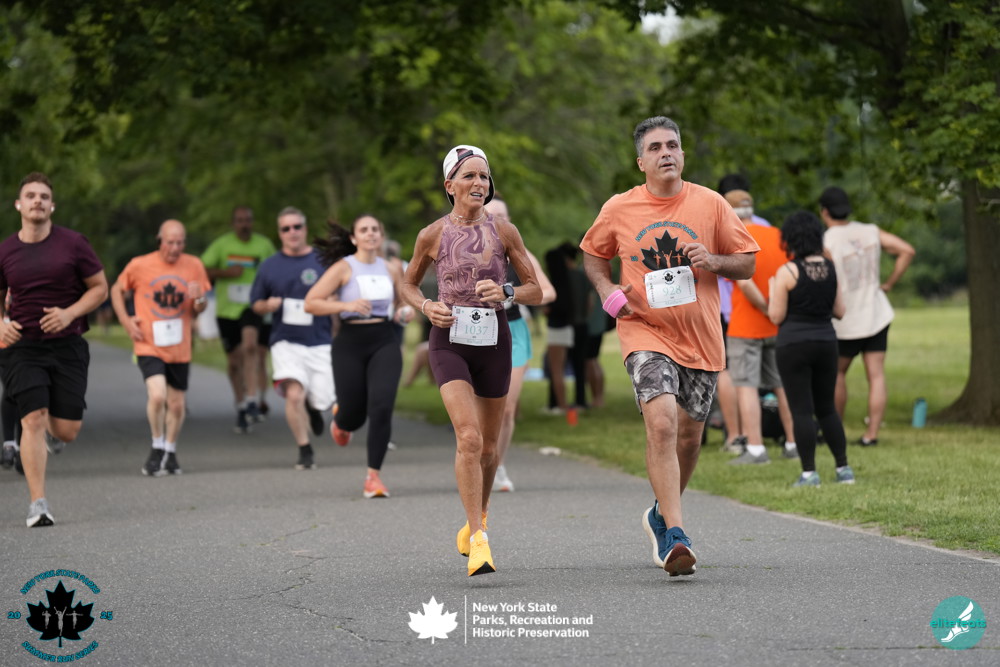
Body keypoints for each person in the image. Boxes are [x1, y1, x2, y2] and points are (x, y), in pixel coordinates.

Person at [580, 118, 758, 575]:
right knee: (661, 424)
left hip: (700, 337)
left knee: (689, 438)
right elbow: (594, 254)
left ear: (682, 154)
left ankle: (661, 512)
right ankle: (676, 536)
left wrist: (712, 259)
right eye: (656, 147)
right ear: (641, 161)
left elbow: (747, 264)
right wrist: (606, 289)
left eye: (673, 145)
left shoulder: (711, 203)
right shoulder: (619, 207)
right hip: (644, 330)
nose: (666, 153)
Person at [400, 145, 542, 577]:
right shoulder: (432, 234)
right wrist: (427, 306)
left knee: (491, 447)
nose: (479, 183)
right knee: (469, 437)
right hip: (449, 340)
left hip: (494, 339)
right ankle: (480, 539)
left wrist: (508, 292)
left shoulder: (505, 231)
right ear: (450, 185)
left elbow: (536, 289)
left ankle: (477, 516)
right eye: (470, 176)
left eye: (484, 176)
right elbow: (407, 285)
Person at [0, 172, 108, 527]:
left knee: (66, 431)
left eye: (44, 196)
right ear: (19, 204)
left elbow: (100, 288)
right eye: (30, 195)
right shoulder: (5, 250)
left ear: (52, 206)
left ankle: (50, 427)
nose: (37, 201)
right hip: (23, 347)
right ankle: (38, 504)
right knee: (32, 418)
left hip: (68, 346)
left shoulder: (74, 244)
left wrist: (69, 313)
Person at [304, 214, 412, 497]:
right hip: (350, 343)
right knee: (354, 417)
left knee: (382, 406)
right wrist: (346, 305)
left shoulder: (392, 268)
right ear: (354, 238)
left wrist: (405, 312)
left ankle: (373, 477)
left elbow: (403, 302)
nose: (370, 233)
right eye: (364, 230)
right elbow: (311, 303)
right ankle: (341, 420)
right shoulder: (343, 267)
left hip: (384, 340)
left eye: (375, 229)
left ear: (381, 235)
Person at [110, 219, 210, 476]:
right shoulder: (140, 265)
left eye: (180, 243)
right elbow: (116, 290)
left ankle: (170, 450)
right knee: (157, 396)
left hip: (179, 344)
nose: (175, 248)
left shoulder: (194, 265)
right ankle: (157, 445)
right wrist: (126, 321)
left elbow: (200, 308)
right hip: (148, 342)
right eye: (170, 242)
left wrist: (199, 298)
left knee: (176, 405)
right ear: (160, 240)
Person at [820, 187, 915, 446]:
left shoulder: (827, 240)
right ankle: (871, 434)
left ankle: (834, 431)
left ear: (825, 211)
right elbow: (907, 250)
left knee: (837, 374)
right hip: (876, 313)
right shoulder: (870, 230)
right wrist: (889, 284)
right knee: (876, 375)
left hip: (845, 318)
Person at [769, 211, 854, 486]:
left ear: (791, 239)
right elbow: (840, 311)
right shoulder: (831, 269)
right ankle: (843, 469)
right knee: (827, 408)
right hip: (826, 342)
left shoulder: (787, 272)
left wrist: (773, 290)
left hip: (793, 345)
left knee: (802, 410)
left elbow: (776, 316)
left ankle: (809, 473)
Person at [251, 207, 335, 471]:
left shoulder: (322, 260)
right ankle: (304, 448)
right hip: (285, 340)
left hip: (319, 340)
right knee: (294, 394)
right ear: (280, 233)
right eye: (286, 228)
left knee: (323, 399)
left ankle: (314, 407)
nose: (292, 232)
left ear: (305, 229)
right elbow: (255, 304)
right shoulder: (269, 266)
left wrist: (332, 302)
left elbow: (338, 294)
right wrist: (267, 305)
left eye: (297, 226)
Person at [484, 195, 556, 493]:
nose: (496, 222)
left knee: (507, 408)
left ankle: (497, 466)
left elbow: (547, 292)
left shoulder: (521, 255)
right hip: (475, 333)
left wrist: (511, 294)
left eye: (502, 216)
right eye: (490, 215)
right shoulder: (462, 251)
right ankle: (476, 461)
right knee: (478, 409)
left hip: (512, 331)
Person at [723, 189, 798, 465]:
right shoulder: (778, 235)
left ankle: (755, 449)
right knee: (782, 384)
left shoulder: (735, 238)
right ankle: (793, 443)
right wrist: (776, 310)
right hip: (778, 325)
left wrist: (765, 308)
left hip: (746, 326)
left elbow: (744, 283)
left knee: (746, 386)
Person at [201, 206, 276, 434]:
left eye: (248, 220)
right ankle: (241, 405)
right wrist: (225, 273)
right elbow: (202, 269)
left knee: (251, 346)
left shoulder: (263, 245)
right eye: (240, 220)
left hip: (253, 306)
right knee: (234, 362)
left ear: (252, 222)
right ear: (233, 223)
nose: (244, 224)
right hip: (227, 310)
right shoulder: (222, 245)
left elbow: (276, 270)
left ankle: (253, 399)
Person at [715, 174, 772, 453]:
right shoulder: (764, 226)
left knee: (727, 371)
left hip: (728, 309)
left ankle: (736, 436)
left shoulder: (717, 226)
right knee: (766, 376)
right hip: (765, 308)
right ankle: (769, 436)